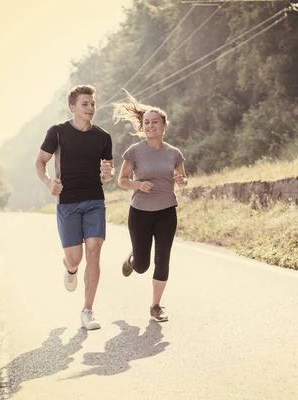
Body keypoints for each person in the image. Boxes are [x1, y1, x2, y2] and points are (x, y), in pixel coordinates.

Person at [34, 84, 114, 330]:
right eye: (85, 104)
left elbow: (109, 171)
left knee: (94, 252)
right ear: (72, 107)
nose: (90, 108)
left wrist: (109, 173)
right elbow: (40, 162)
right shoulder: (57, 132)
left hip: (94, 201)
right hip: (67, 202)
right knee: (75, 258)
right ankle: (70, 269)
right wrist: (49, 183)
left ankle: (88, 311)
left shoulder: (103, 137)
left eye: (92, 104)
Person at [114, 94, 188, 322]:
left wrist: (182, 181)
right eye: (146, 122)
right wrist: (138, 184)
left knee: (163, 258)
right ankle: (133, 259)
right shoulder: (135, 151)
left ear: (164, 126)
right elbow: (122, 180)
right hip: (140, 213)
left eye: (155, 122)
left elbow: (182, 177)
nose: (150, 125)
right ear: (142, 126)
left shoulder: (174, 153)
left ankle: (156, 306)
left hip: (167, 211)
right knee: (143, 265)